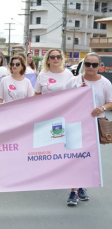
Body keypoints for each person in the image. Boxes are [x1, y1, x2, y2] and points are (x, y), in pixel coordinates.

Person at [64, 52, 112, 206]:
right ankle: (74, 191)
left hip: (94, 126)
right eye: (88, 64)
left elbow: (110, 102)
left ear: (99, 66)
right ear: (83, 65)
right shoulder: (73, 81)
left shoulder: (105, 83)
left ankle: (81, 186)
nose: (91, 67)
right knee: (74, 158)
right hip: (74, 125)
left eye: (94, 65)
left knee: (87, 158)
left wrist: (102, 107)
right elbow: (62, 101)